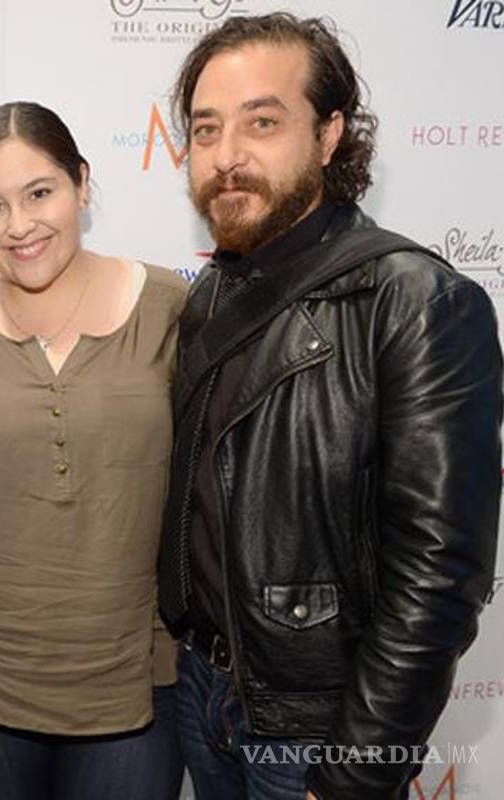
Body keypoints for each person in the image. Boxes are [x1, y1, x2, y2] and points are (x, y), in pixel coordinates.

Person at [156, 12, 502, 800]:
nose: (227, 155)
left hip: (319, 728)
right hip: (202, 694)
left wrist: (354, 773)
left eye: (262, 122)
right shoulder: (212, 296)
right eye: (205, 129)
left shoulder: (415, 302)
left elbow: (440, 578)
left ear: (329, 135)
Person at [0, 101, 186, 799]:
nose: (20, 225)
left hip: (134, 689)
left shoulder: (171, 308)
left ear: (82, 184)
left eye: (40, 193)